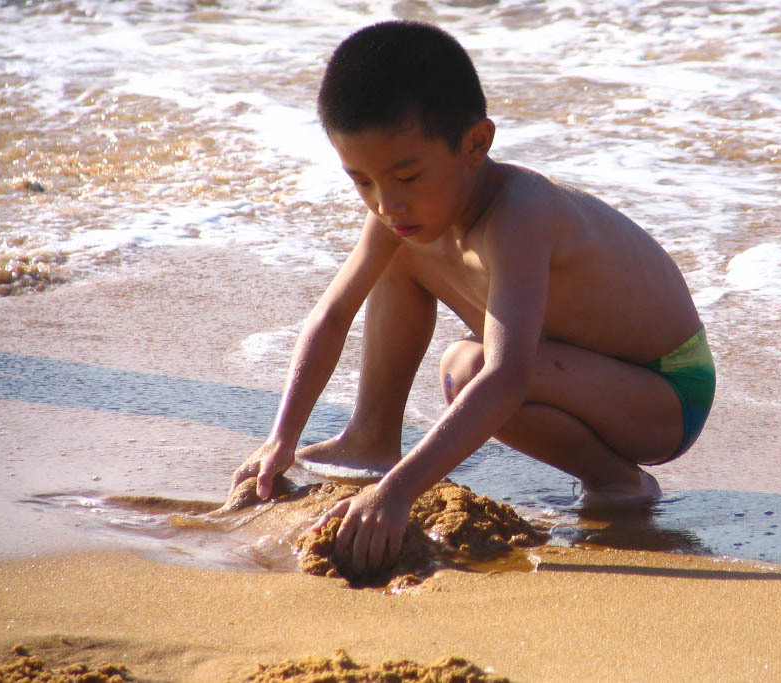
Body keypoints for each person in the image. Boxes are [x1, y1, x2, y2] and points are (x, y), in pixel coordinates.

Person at [229, 20, 715, 575]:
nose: (386, 203)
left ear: (476, 143)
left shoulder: (520, 211)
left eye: (407, 176)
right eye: (363, 182)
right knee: (399, 249)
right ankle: (370, 436)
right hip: (578, 368)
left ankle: (619, 482)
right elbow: (333, 313)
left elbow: (507, 376)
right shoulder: (399, 214)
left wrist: (397, 491)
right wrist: (280, 439)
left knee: (470, 368)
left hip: (665, 393)